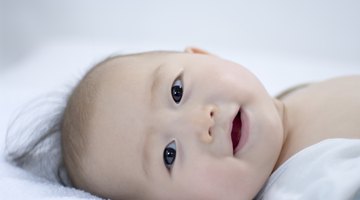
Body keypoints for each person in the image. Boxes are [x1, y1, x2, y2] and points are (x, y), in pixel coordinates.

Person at [7, 47, 360, 200]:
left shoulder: (291, 97)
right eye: (169, 155)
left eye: (177, 90)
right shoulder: (306, 184)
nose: (199, 123)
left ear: (205, 56)